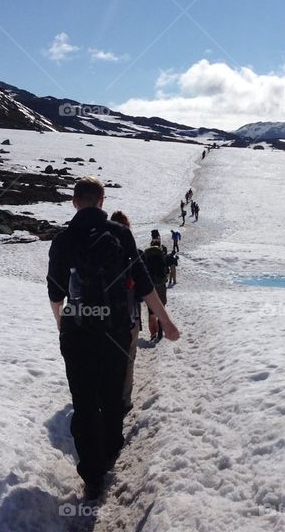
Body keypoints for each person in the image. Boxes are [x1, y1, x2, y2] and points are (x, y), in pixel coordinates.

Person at [47, 177, 179, 501]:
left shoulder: (63, 240)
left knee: (84, 403)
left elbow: (55, 293)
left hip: (78, 335)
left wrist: (63, 325)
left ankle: (91, 476)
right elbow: (144, 283)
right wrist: (166, 322)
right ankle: (108, 456)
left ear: (75, 202)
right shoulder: (120, 234)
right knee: (111, 398)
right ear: (102, 201)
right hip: (115, 334)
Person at [110, 210, 140, 417]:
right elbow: (142, 287)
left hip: (99, 314)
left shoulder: (94, 248)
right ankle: (124, 401)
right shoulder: (133, 253)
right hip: (129, 316)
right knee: (128, 360)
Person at [141, 238, 169, 342]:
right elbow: (166, 268)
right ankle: (160, 330)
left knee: (151, 312)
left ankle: (153, 334)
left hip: (151, 285)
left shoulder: (146, 254)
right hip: (161, 284)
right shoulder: (161, 253)